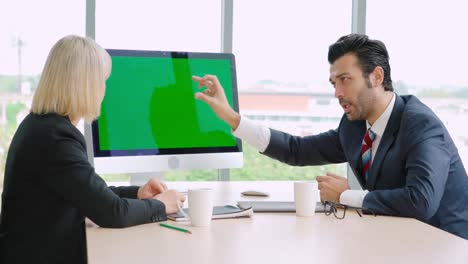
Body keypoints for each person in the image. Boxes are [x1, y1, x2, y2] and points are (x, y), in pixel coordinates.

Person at [192, 33, 468, 239]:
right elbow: (296, 150)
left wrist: (347, 195)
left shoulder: (421, 125)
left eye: (345, 80)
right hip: (394, 238)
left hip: (443, 245)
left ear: (376, 76)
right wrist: (233, 118)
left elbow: (421, 201)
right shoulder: (354, 126)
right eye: (334, 83)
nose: (337, 92)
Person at [0, 35, 185, 263]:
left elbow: (92, 193)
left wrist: (137, 193)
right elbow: (111, 212)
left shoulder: (42, 127)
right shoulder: (55, 138)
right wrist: (161, 205)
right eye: (102, 81)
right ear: (85, 85)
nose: (104, 90)